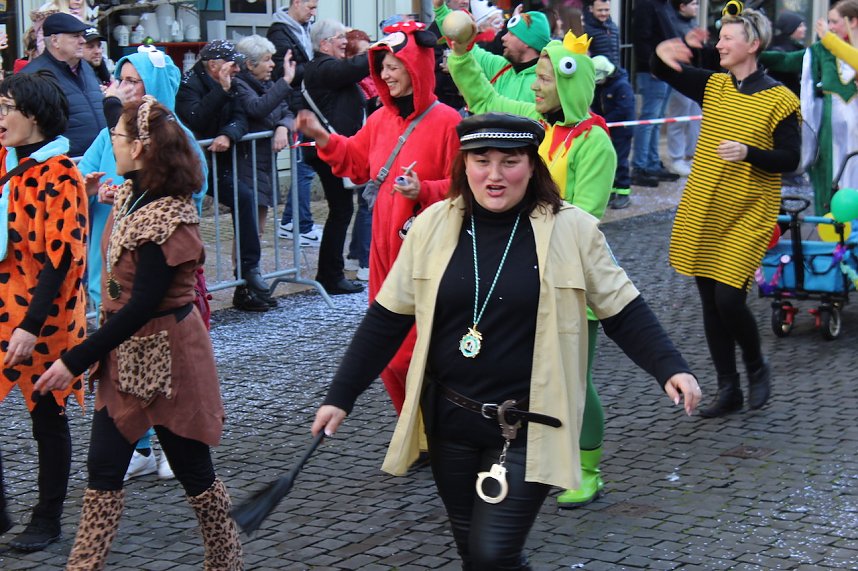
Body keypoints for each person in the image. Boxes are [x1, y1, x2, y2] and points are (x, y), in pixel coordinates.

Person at [310, 112, 702, 570]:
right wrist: (340, 396)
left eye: (509, 161)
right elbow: (387, 319)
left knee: (494, 554)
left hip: (527, 425)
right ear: (464, 165)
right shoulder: (434, 225)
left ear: (532, 166)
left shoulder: (571, 229)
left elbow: (623, 308)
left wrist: (670, 366)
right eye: (482, 160)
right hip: (449, 422)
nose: (494, 175)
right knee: (474, 555)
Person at [35, 96, 243, 570]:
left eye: (119, 139)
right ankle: (83, 565)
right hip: (125, 356)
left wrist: (74, 358)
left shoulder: (168, 219)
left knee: (194, 471)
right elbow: (108, 207)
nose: (113, 145)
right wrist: (92, 192)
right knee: (104, 469)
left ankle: (226, 560)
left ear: (144, 147)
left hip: (172, 356)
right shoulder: (133, 195)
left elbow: (141, 306)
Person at [447, 28, 619, 508]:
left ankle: (587, 468)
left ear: (568, 84)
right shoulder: (537, 126)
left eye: (544, 79)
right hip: (522, 270)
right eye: (538, 78)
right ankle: (530, 456)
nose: (536, 88)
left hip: (569, 279)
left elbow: (585, 215)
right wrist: (461, 54)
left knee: (573, 382)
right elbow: (484, 96)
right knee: (529, 375)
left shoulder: (594, 143)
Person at [296, 20, 461, 413]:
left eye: (393, 67)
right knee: (387, 346)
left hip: (426, 249)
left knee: (420, 345)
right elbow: (355, 161)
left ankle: (439, 422)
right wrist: (322, 136)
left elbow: (463, 188)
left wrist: (425, 190)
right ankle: (413, 426)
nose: (385, 76)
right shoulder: (380, 119)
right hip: (383, 248)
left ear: (415, 68)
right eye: (381, 68)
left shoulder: (448, 122)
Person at [654, 7, 800, 417]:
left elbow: (790, 158)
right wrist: (666, 51)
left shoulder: (780, 99)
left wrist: (749, 153)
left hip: (751, 209)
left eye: (728, 38)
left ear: (752, 45)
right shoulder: (716, 86)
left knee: (729, 299)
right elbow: (666, 71)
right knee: (709, 300)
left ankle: (756, 365)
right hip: (707, 204)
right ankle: (728, 388)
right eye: (719, 38)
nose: (720, 44)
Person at [79, 45, 210, 481]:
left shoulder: (177, 136)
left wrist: (145, 195)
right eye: (123, 80)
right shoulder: (110, 133)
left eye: (135, 82)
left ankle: (176, 437)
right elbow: (94, 173)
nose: (125, 89)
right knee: (124, 359)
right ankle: (138, 442)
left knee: (163, 358)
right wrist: (94, 189)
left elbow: (192, 189)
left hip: (151, 270)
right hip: (112, 259)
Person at [0, 71, 88, 551]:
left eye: (6, 108)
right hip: (1, 304)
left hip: (44, 315)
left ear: (31, 115)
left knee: (46, 417)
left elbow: (61, 260)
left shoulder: (59, 175)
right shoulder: (4, 161)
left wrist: (32, 327)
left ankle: (47, 516)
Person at [177, 39, 275, 312]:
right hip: (192, 163)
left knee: (246, 200)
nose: (238, 69)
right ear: (213, 65)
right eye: (232, 64)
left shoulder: (232, 80)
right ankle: (190, 292)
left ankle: (248, 276)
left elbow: (241, 118)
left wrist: (226, 134)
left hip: (219, 162)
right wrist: (221, 89)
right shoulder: (188, 84)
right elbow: (195, 118)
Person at [760, 0, 858, 215]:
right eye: (829, 22)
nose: (830, 27)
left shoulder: (836, 45)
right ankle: (830, 228)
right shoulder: (822, 50)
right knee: (827, 176)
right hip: (831, 134)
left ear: (853, 21)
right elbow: (788, 61)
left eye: (835, 22)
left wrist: (830, 40)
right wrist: (754, 52)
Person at [299, 20, 371, 295]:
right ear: (324, 43)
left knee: (341, 212)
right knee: (340, 212)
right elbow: (353, 69)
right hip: (328, 152)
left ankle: (331, 273)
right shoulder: (322, 67)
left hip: (334, 149)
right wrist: (379, 51)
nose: (346, 41)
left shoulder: (324, 67)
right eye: (340, 37)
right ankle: (331, 275)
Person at [267, 0, 322, 247]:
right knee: (303, 167)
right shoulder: (280, 32)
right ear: (296, 3)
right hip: (295, 105)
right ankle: (301, 225)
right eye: (310, 6)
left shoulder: (303, 29)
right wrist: (315, 67)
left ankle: (291, 221)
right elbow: (284, 72)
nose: (314, 12)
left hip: (304, 102)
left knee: (304, 165)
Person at [234, 34, 296, 235]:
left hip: (265, 164)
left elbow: (287, 111)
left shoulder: (268, 84)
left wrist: (282, 128)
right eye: (266, 60)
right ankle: (243, 266)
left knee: (259, 228)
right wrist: (286, 81)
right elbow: (257, 108)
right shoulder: (239, 85)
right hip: (247, 163)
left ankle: (253, 266)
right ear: (250, 65)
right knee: (247, 230)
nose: (272, 65)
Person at [22, 12, 106, 158]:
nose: (82, 41)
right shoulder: (33, 76)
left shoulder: (86, 67)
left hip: (99, 158)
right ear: (55, 41)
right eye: (75, 36)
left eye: (82, 35)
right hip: (64, 164)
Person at [433, 0, 552, 103]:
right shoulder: (500, 68)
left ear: (527, 42)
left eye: (512, 34)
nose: (503, 38)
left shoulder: (545, 82)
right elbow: (462, 43)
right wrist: (440, 9)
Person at [631, 0, 681, 187]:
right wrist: (651, 64)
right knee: (649, 119)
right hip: (652, 71)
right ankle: (640, 166)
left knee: (657, 119)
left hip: (666, 70)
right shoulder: (646, 5)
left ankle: (651, 162)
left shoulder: (664, 5)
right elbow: (641, 37)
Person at [344, 29, 380, 282]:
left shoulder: (368, 81)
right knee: (367, 204)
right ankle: (365, 261)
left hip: (366, 144)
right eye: (363, 54)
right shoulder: (357, 83)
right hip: (363, 146)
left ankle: (355, 254)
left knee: (363, 204)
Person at [592, 55, 636, 210]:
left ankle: (623, 193)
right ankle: (610, 192)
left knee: (620, 160)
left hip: (621, 131)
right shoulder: (602, 86)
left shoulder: (621, 86)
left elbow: (623, 110)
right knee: (608, 161)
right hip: (608, 128)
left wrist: (603, 121)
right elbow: (596, 105)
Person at [664, 0, 701, 177]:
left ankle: (692, 154)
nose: (697, 7)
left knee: (695, 118)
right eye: (693, 4)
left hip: (695, 75)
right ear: (682, 6)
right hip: (680, 76)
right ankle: (677, 158)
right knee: (679, 118)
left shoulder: (693, 23)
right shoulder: (672, 23)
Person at [768, 10, 807, 96]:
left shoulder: (796, 47)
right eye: (800, 26)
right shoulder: (780, 49)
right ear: (790, 28)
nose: (804, 29)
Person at [584, 0, 621, 66]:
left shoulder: (613, 27)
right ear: (591, 9)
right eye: (600, 10)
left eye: (606, 10)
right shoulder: (585, 29)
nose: (603, 13)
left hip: (615, 72)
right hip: (596, 73)